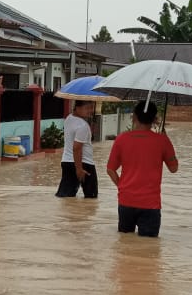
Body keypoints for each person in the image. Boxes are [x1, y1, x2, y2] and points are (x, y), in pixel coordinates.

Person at [106, 100, 179, 236]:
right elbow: (174, 168)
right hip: (150, 204)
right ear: (154, 119)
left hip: (126, 201)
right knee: (149, 251)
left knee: (125, 246)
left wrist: (122, 186)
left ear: (134, 117)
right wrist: (168, 143)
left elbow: (110, 170)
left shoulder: (121, 139)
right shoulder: (162, 141)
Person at [55, 100, 98, 198]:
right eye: (87, 108)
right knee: (91, 198)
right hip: (84, 164)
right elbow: (77, 148)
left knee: (64, 196)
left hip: (66, 162)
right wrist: (79, 169)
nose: (90, 111)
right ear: (77, 108)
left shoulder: (69, 119)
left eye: (92, 108)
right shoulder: (83, 126)